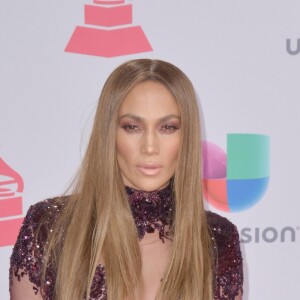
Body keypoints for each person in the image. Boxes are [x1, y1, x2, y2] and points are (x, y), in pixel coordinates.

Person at [9, 59, 243, 300]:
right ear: (110, 133)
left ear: (187, 136)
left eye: (168, 127)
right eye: (132, 127)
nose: (150, 147)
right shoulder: (49, 227)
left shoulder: (217, 239)